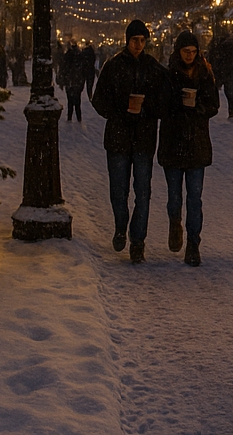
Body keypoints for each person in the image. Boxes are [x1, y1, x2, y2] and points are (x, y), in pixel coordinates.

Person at [90, 20, 167, 262]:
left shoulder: (152, 67)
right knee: (118, 191)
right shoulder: (113, 66)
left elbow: (164, 99)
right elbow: (99, 100)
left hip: (143, 138)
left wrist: (146, 110)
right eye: (135, 40)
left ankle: (138, 240)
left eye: (143, 40)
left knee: (143, 192)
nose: (139, 45)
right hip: (118, 138)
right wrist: (121, 112)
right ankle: (121, 226)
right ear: (127, 40)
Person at [160, 30, 219, 266]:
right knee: (175, 196)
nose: (190, 56)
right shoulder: (168, 74)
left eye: (194, 52)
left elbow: (214, 104)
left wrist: (198, 108)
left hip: (196, 143)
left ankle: (194, 244)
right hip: (173, 142)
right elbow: (161, 104)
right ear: (178, 51)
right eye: (186, 51)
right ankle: (175, 223)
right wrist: (177, 103)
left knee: (195, 197)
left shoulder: (205, 73)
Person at [208, 28, 233, 120]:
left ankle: (231, 108)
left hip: (227, 71)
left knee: (229, 90)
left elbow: (218, 59)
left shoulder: (224, 46)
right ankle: (231, 108)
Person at [61, 41, 86, 122]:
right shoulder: (80, 56)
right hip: (77, 81)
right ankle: (79, 117)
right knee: (77, 100)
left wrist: (64, 80)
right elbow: (83, 70)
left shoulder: (68, 56)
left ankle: (69, 116)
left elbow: (64, 68)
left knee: (70, 100)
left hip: (70, 81)